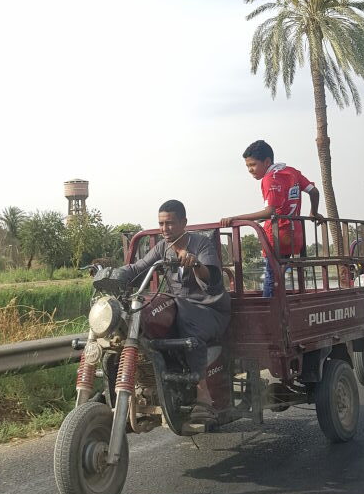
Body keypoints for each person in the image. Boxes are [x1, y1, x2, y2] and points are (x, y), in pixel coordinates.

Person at [116, 200, 231, 415]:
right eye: (161, 223)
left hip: (209, 307)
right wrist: (115, 274)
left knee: (186, 321)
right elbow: (138, 268)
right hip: (181, 304)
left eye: (169, 223)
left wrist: (196, 264)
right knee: (142, 316)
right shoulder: (162, 247)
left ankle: (202, 393)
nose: (164, 229)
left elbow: (213, 280)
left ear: (184, 222)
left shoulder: (201, 244)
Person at [220, 140, 324, 297]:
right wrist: (314, 213)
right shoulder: (291, 172)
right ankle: (281, 308)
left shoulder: (269, 178)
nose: (250, 170)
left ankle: (269, 313)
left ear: (267, 161)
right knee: (279, 275)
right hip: (295, 235)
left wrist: (235, 218)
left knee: (271, 277)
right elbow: (314, 192)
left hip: (277, 236)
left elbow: (270, 211)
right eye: (248, 166)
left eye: (253, 165)